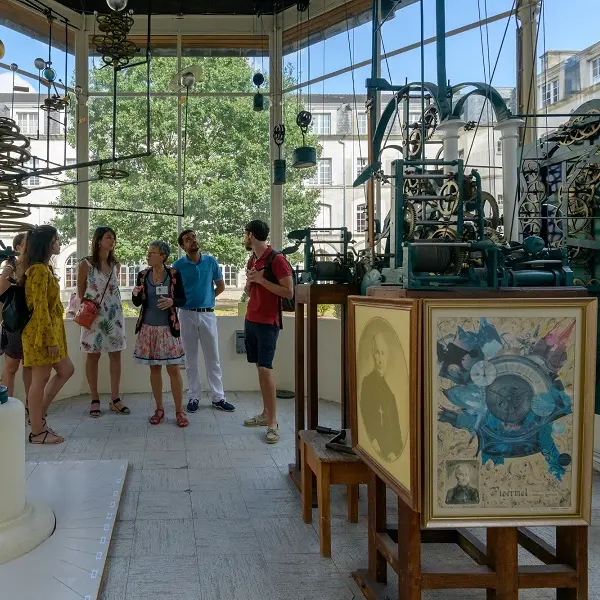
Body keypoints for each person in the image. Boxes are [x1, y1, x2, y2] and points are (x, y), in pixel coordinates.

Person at [19, 226, 74, 444]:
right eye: (56, 240)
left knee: (66, 369)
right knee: (39, 380)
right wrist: (50, 340)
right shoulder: (39, 270)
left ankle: (38, 419)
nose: (59, 243)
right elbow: (40, 308)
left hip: (48, 331)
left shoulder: (41, 268)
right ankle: (37, 431)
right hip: (41, 334)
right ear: (47, 244)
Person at [241, 220, 293, 445]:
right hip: (251, 319)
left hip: (268, 322)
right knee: (260, 370)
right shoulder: (253, 259)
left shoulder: (277, 259)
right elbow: (250, 290)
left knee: (265, 369)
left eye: (245, 234)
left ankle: (273, 423)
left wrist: (261, 279)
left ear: (251, 235)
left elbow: (289, 292)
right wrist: (250, 282)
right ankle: (264, 414)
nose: (244, 238)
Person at [173, 229, 235, 413]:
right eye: (187, 239)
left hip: (207, 314)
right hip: (185, 314)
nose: (192, 240)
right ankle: (193, 396)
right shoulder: (178, 265)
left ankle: (218, 397)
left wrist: (208, 298)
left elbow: (221, 286)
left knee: (213, 357)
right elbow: (174, 291)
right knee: (190, 358)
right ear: (183, 246)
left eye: (194, 237)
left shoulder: (210, 261)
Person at [132, 241, 188, 427]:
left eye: (152, 252)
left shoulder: (173, 275)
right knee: (154, 369)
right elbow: (137, 302)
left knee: (173, 369)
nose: (148, 255)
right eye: (148, 252)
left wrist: (172, 301)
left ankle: (180, 411)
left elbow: (182, 298)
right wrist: (135, 294)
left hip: (168, 329)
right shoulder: (142, 275)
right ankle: (159, 409)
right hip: (148, 329)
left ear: (163, 256)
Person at [77, 226, 129, 418]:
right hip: (94, 316)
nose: (112, 240)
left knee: (116, 355)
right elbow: (80, 293)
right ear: (98, 240)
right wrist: (88, 308)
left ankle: (115, 398)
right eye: (108, 237)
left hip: (114, 315)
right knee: (93, 355)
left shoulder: (116, 264)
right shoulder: (85, 264)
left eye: (113, 238)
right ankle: (94, 398)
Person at [359, 332, 403, 461]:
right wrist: (372, 439)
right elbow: (365, 416)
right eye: (377, 352)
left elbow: (395, 428)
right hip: (377, 449)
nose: (380, 359)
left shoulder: (389, 392)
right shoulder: (367, 383)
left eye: (383, 353)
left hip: (391, 453)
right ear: (373, 354)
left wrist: (395, 451)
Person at [0, 233, 32, 407]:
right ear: (18, 247)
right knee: (11, 366)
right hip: (14, 323)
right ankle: (6, 404)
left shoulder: (36, 265)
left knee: (29, 366)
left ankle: (29, 404)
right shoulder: (11, 266)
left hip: (30, 321)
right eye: (26, 244)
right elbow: (0, 289)